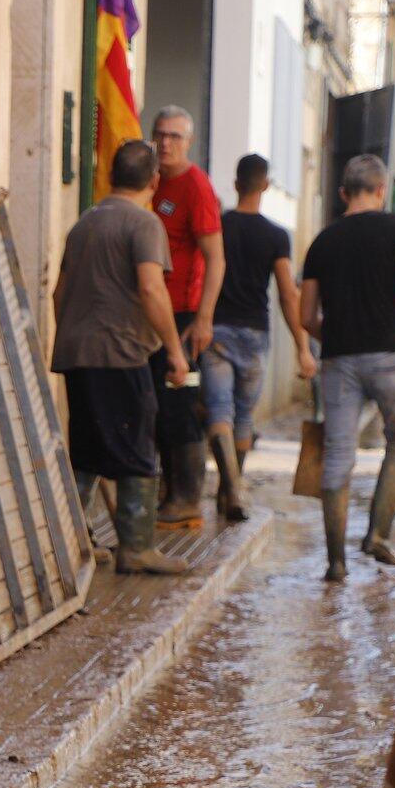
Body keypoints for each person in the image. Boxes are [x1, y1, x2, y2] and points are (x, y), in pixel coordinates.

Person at [52, 138, 192, 575]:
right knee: (136, 449)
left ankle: (72, 545)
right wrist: (173, 349)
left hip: (78, 353)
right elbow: (151, 288)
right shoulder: (144, 224)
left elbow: (59, 293)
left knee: (88, 451)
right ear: (153, 180)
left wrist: (78, 334)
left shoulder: (84, 222)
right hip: (123, 352)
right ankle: (136, 547)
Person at [299, 154, 395, 581]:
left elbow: (306, 317)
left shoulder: (322, 241)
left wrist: (338, 333)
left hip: (338, 360)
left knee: (338, 453)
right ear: (381, 190)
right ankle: (378, 534)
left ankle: (336, 561)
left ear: (343, 194)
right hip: (388, 356)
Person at [201, 153, 316, 521]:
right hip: (254, 333)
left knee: (218, 410)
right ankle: (232, 486)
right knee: (243, 415)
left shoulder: (218, 227)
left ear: (236, 184)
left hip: (216, 328)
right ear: (265, 185)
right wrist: (302, 347)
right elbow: (287, 293)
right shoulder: (275, 235)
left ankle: (228, 484)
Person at [145, 106, 225, 530]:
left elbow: (215, 257)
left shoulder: (195, 186)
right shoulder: (151, 181)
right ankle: (169, 494)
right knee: (156, 407)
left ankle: (188, 498)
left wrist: (205, 318)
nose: (166, 143)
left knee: (179, 404)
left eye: (175, 136)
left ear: (188, 141)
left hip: (183, 316)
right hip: (149, 316)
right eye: (160, 134)